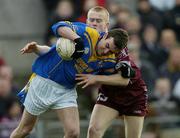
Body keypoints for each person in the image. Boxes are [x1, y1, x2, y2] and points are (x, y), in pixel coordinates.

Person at [10, 20, 129, 138]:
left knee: (73, 132)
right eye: (107, 46)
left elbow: (120, 75)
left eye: (111, 51)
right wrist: (78, 41)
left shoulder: (109, 60)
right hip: (44, 81)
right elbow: (58, 26)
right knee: (25, 130)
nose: (106, 51)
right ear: (105, 35)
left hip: (66, 90)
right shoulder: (88, 33)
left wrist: (121, 70)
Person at [75, 6, 148, 138]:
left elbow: (124, 80)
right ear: (86, 21)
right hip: (110, 92)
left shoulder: (116, 42)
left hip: (133, 94)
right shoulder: (83, 37)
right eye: (92, 20)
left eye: (98, 21)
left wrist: (95, 79)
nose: (94, 24)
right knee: (93, 130)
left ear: (106, 25)